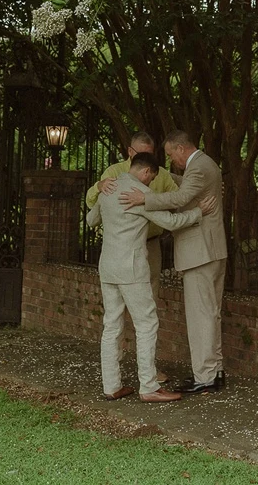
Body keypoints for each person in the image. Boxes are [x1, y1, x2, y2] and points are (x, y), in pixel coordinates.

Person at [86, 152, 215, 403]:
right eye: (152, 178)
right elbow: (171, 222)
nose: (150, 183)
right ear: (147, 172)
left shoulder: (108, 187)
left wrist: (100, 190)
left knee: (111, 325)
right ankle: (149, 386)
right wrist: (199, 212)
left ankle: (111, 386)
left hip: (108, 266)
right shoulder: (140, 195)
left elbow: (91, 220)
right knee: (146, 324)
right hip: (132, 268)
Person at [119, 130, 227, 394]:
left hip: (200, 252)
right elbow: (185, 185)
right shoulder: (204, 165)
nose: (170, 159)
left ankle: (205, 376)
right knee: (210, 312)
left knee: (201, 315)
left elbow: (180, 198)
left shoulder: (198, 167)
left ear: (180, 149)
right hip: (210, 250)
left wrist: (144, 198)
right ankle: (214, 371)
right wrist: (166, 176)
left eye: (170, 154)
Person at [85, 131, 177, 303]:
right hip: (120, 247)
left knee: (150, 295)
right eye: (140, 153)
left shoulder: (161, 174)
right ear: (129, 151)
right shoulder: (114, 171)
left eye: (149, 154)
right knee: (119, 301)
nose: (145, 158)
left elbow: (177, 198)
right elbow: (93, 205)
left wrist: (151, 200)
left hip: (151, 243)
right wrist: (98, 186)